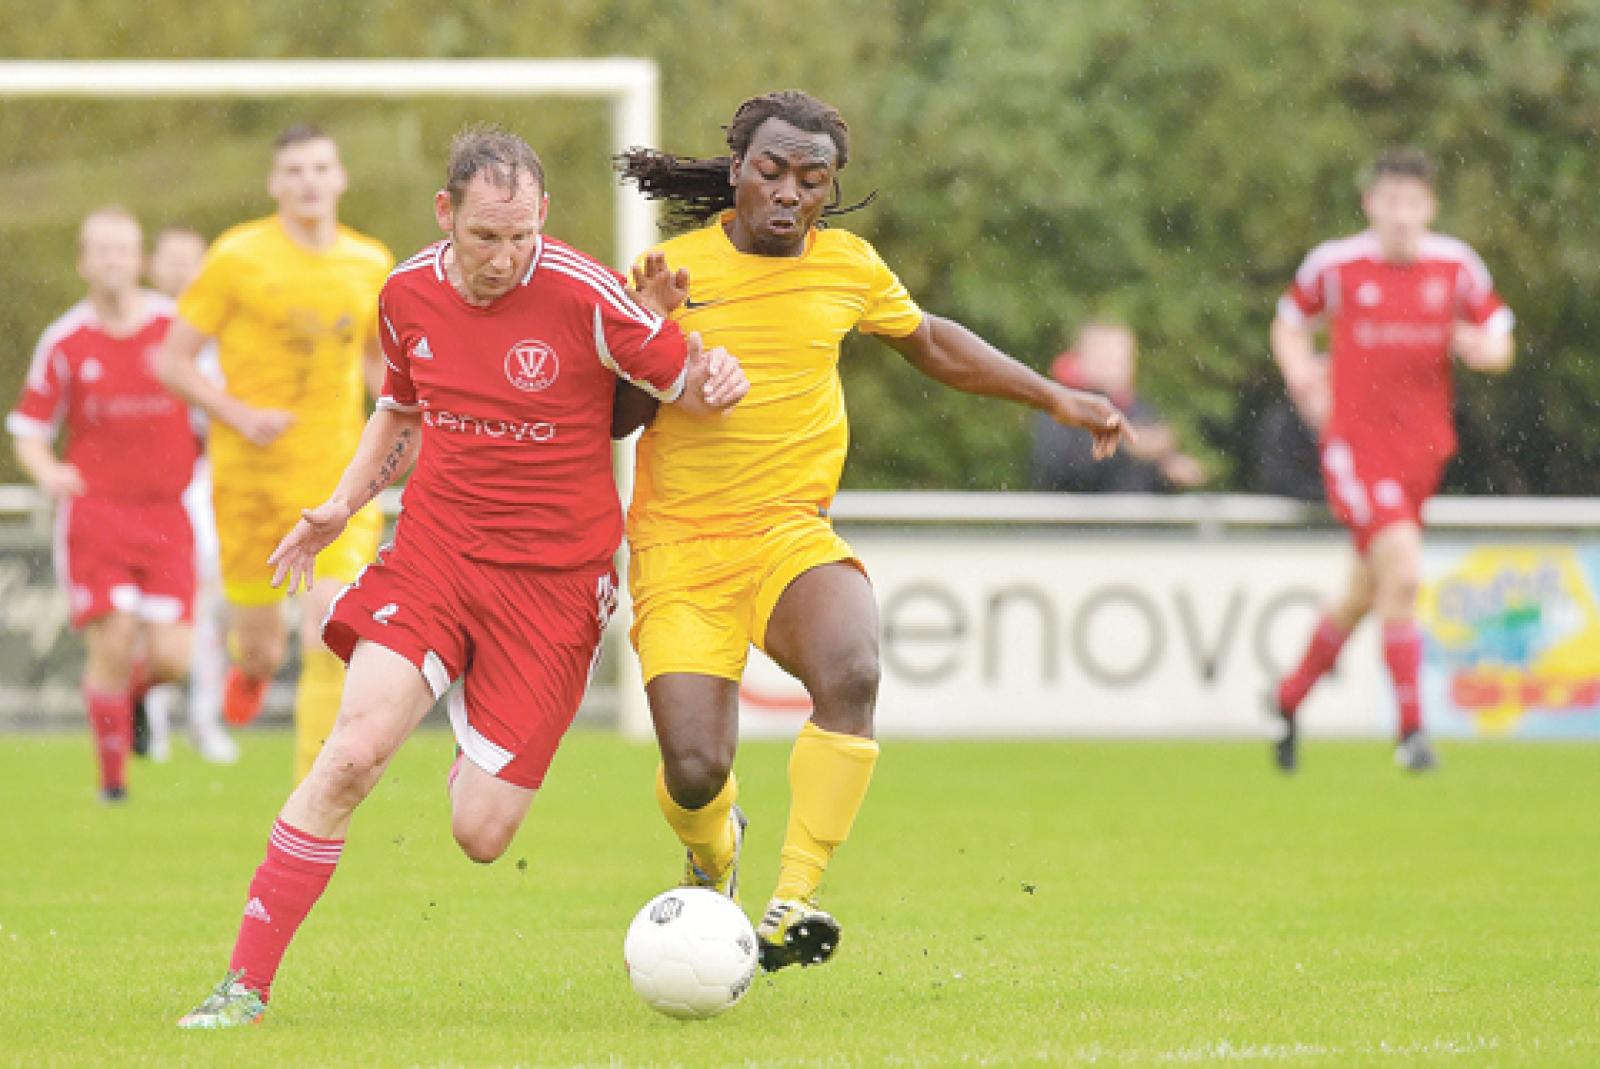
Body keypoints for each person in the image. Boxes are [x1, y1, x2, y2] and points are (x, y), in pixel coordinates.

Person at [176, 126, 747, 1029]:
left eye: (521, 235)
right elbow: (400, 409)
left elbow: (690, 380)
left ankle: (473, 722)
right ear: (446, 213)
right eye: (485, 235)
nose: (504, 257)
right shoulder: (404, 292)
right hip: (435, 558)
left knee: (482, 834)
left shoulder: (588, 294)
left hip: (555, 586)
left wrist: (718, 375)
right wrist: (342, 503)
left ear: (543, 216)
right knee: (350, 756)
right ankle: (243, 985)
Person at [614, 89, 1130, 972]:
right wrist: (657, 337)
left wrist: (1054, 395)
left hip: (789, 531)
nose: (790, 193)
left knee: (851, 667)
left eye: (812, 179)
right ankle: (715, 849)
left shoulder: (848, 266)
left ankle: (792, 901)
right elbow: (616, 418)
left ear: (830, 189)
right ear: (736, 171)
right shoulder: (670, 271)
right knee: (695, 770)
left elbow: (932, 343)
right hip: (682, 548)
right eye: (772, 171)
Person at [156, 125, 394, 782]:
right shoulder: (238, 257)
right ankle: (252, 670)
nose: (308, 182)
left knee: (330, 626)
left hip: (335, 481)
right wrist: (239, 415)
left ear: (340, 178)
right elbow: (173, 360)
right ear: (274, 184)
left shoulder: (369, 262)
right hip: (249, 483)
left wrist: (414, 425)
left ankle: (312, 795)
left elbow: (379, 364)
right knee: (261, 647)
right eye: (294, 171)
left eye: (320, 168)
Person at [1269, 147, 1514, 773]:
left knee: (1362, 593)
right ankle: (1412, 732)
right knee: (1403, 574)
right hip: (1356, 447)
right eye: (1390, 202)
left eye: (1413, 203)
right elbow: (1289, 322)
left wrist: (1484, 349)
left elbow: (1499, 337)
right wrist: (1300, 373)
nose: (1401, 215)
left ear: (1430, 207)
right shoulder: (1336, 266)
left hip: (1422, 452)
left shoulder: (1455, 267)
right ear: (1370, 205)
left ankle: (1288, 699)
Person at [6, 207, 199, 801]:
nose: (113, 260)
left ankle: (131, 700)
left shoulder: (177, 327)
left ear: (141, 260)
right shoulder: (65, 340)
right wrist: (48, 472)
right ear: (82, 262)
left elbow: (215, 398)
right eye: (102, 250)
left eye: (123, 249)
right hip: (98, 515)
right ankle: (113, 785)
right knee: (114, 638)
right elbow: (28, 429)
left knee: (173, 659)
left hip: (168, 514)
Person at [146, 224, 238, 764]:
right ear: (153, 266)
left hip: (206, 482)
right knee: (156, 609)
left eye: (191, 259)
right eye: (171, 259)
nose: (182, 269)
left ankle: (203, 719)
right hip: (150, 490)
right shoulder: (140, 331)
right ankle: (151, 719)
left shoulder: (222, 335)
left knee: (209, 603)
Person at [1030, 320, 1208, 492]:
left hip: (1130, 513)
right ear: (1082, 358)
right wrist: (1123, 448)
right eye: (1107, 358)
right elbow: (1060, 471)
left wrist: (1168, 472)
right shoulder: (1062, 405)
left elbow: (1140, 481)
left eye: (1123, 358)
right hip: (1080, 512)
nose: (1118, 367)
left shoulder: (1137, 407)